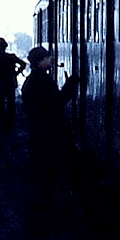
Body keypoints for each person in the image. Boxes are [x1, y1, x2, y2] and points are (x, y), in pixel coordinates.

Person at [20, 46, 78, 219]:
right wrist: (70, 86)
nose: (50, 59)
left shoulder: (32, 80)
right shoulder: (42, 81)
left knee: (41, 171)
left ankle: (42, 206)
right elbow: (56, 102)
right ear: (39, 61)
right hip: (47, 134)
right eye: (47, 57)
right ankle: (44, 211)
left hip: (38, 132)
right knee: (48, 171)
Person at [0, 37, 26, 129]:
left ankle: (3, 124)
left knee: (1, 104)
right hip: (10, 82)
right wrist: (16, 73)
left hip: (0, 84)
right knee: (11, 103)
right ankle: (11, 122)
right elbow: (23, 64)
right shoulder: (11, 57)